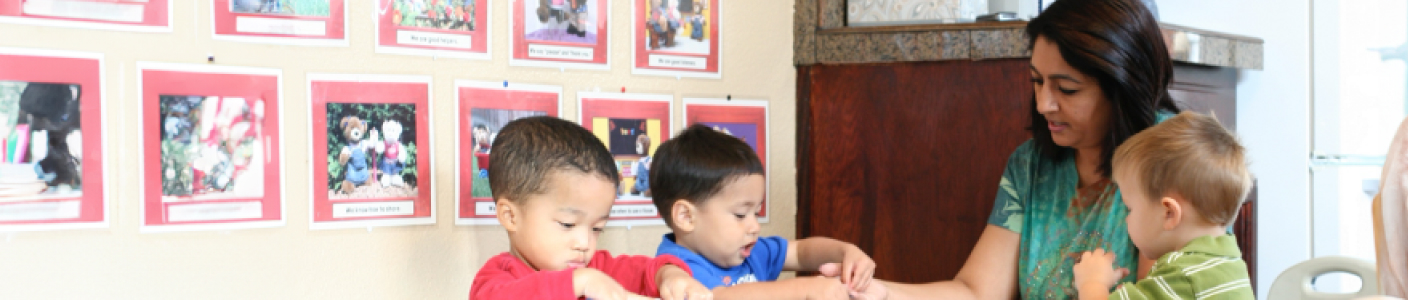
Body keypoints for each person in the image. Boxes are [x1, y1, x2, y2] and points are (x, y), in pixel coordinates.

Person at [878, 0, 1182, 298]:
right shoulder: (1029, 164)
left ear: (1123, 88)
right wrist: (873, 291)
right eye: (1037, 81)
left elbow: (1155, 293)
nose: (1043, 104)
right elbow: (977, 291)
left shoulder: (1171, 157)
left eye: (1067, 89)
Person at [470, 116, 711, 300]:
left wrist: (668, 275)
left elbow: (642, 270)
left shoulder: (595, 266)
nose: (585, 244)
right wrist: (578, 282)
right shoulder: (495, 282)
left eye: (597, 228)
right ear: (510, 216)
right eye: (567, 224)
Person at [652, 125, 885, 299]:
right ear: (686, 217)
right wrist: (805, 289)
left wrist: (844, 252)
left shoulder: (748, 251)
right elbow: (723, 297)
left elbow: (801, 252)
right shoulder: (672, 266)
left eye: (757, 212)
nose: (755, 227)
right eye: (741, 215)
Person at [1072, 112, 1253, 300]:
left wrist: (1092, 283)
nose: (1126, 218)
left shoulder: (1181, 275)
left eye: (1130, 208)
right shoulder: (1229, 263)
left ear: (1169, 213)